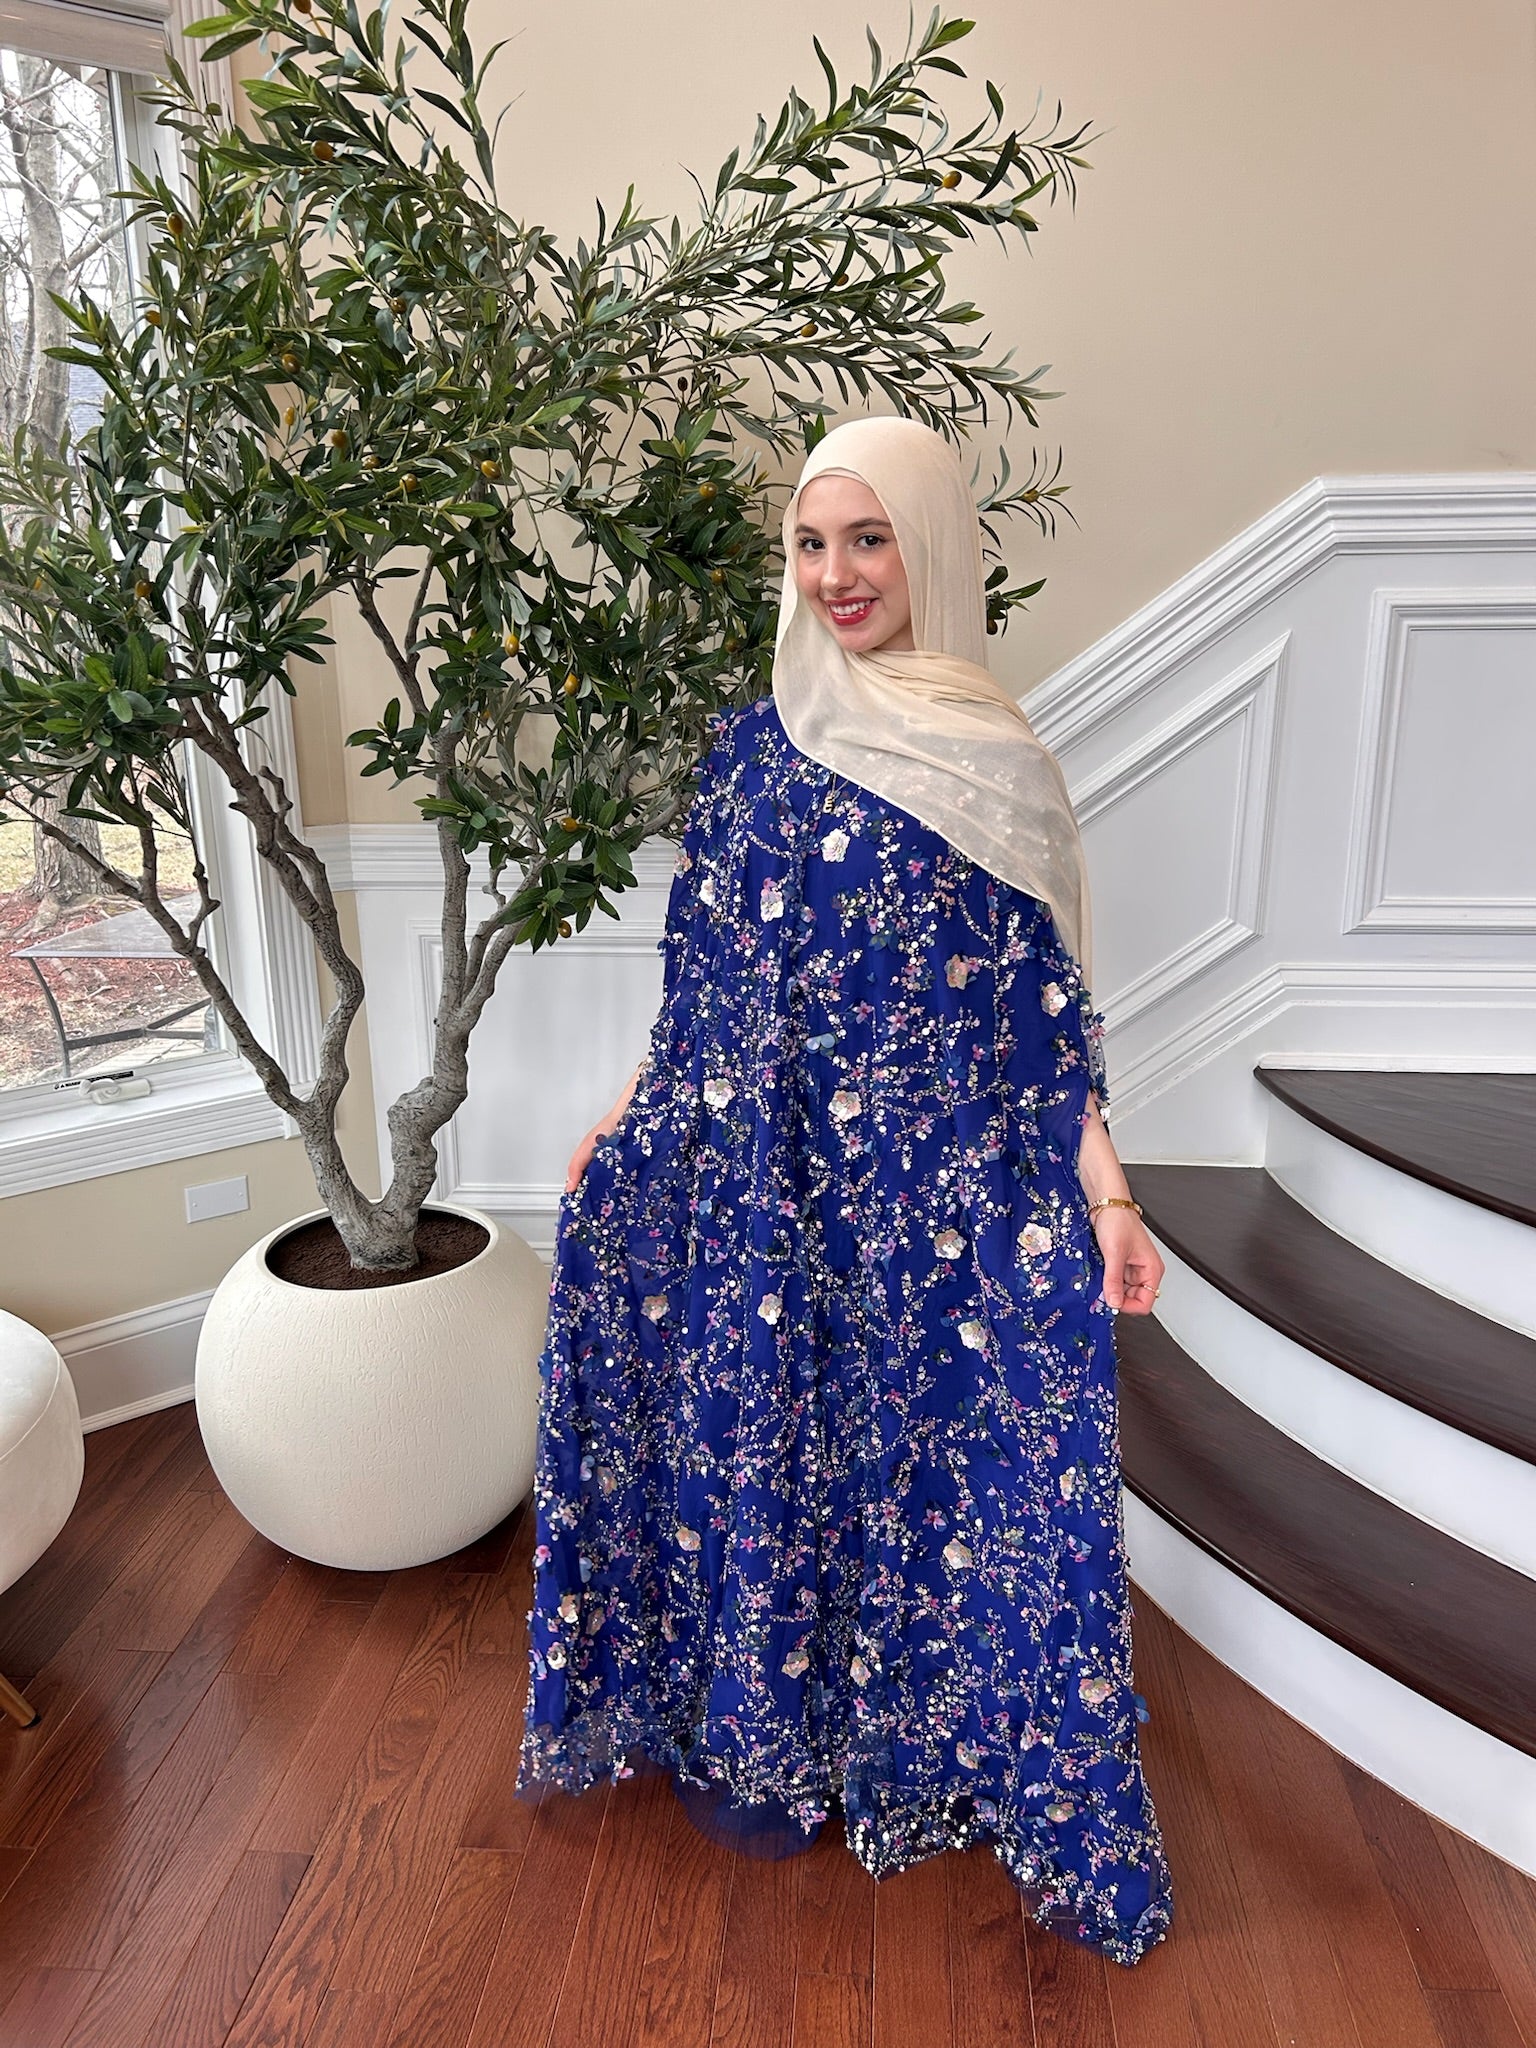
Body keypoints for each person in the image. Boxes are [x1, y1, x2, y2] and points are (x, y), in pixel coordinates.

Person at [514, 415, 1175, 1969]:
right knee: (770, 1455)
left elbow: (1040, 1007)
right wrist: (624, 1114)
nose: (836, 576)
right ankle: (770, 1743)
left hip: (930, 1197)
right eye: (811, 545)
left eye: (868, 539)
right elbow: (701, 979)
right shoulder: (750, 748)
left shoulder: (993, 757)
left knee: (931, 1475)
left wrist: (1111, 1194)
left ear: (931, 545)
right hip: (761, 1185)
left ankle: (926, 1747)